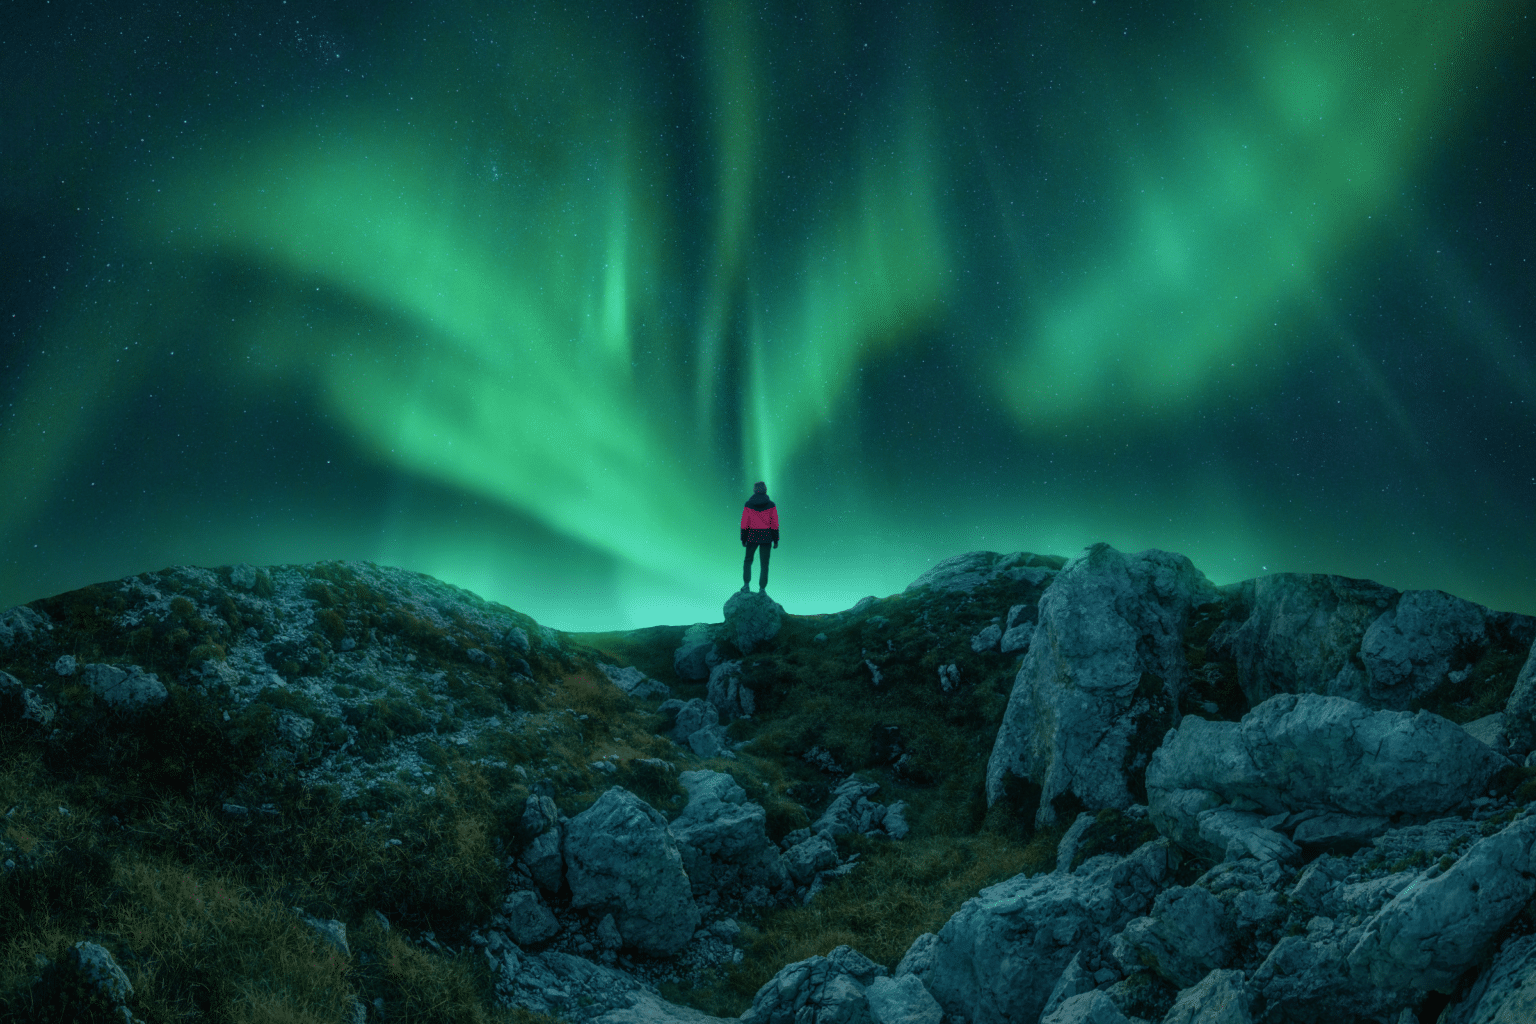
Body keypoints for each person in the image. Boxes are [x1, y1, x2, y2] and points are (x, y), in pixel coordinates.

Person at [740, 481, 778, 593]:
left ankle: (746, 585)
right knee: (764, 564)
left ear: (754, 490)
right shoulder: (771, 505)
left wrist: (743, 538)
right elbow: (774, 524)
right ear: (765, 489)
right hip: (766, 537)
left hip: (752, 536)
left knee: (748, 561)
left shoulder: (748, 504)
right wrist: (775, 540)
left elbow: (745, 523)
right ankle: (762, 589)